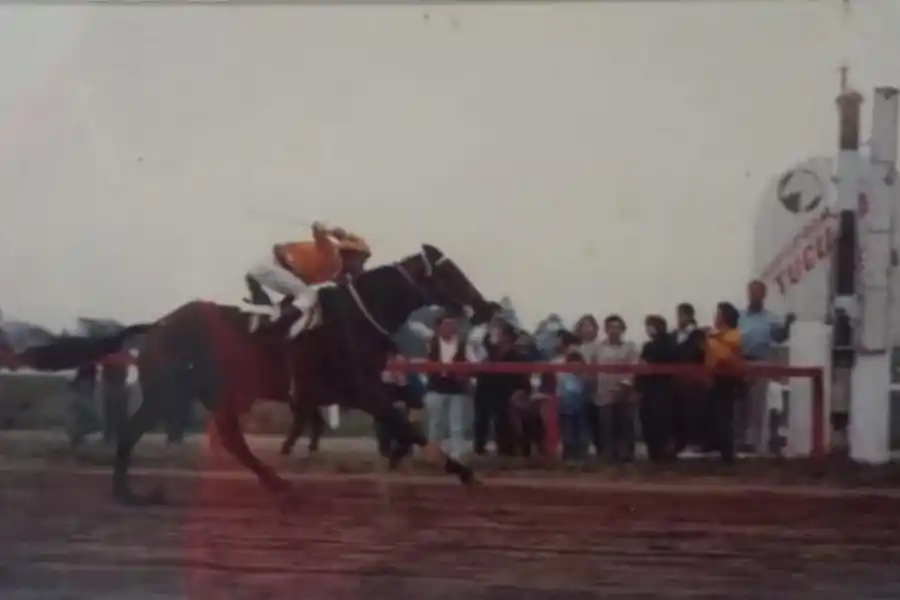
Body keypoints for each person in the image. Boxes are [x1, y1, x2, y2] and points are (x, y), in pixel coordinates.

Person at [245, 221, 371, 334]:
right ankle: (279, 324)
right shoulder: (331, 253)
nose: (360, 264)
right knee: (308, 295)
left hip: (276, 272)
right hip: (272, 267)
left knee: (303, 295)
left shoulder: (337, 269)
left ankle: (276, 317)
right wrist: (324, 229)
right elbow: (319, 234)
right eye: (360, 259)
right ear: (350, 254)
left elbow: (349, 284)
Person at [738, 280, 794, 453]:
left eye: (758, 292)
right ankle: (740, 441)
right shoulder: (740, 316)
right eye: (751, 292)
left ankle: (756, 442)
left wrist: (787, 325)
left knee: (758, 404)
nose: (754, 296)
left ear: (764, 294)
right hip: (740, 363)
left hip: (761, 362)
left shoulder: (771, 318)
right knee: (740, 404)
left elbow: (779, 337)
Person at [585, 314, 640, 461]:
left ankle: (627, 456)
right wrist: (593, 388)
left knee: (625, 425)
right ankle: (607, 456)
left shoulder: (630, 347)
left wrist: (624, 388)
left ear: (622, 329)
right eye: (610, 327)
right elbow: (592, 369)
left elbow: (633, 370)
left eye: (617, 327)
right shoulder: (598, 348)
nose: (614, 330)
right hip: (603, 393)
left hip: (624, 393)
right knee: (605, 426)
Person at [705, 301, 745, 463]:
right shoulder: (717, 335)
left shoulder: (733, 334)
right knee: (717, 416)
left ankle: (727, 454)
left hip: (727, 379)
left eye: (718, 314)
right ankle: (719, 449)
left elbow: (724, 356)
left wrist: (711, 340)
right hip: (715, 378)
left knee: (724, 417)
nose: (715, 318)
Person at [635, 315, 678, 462]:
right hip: (650, 392)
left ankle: (661, 455)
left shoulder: (666, 345)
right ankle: (655, 455)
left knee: (660, 425)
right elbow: (641, 367)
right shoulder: (651, 345)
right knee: (649, 424)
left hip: (662, 391)